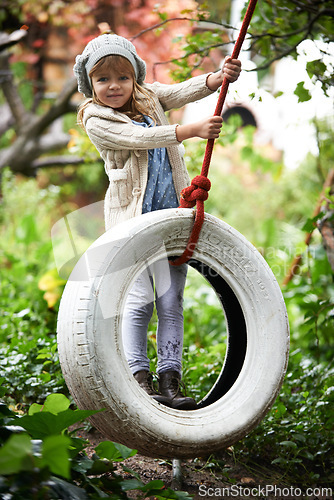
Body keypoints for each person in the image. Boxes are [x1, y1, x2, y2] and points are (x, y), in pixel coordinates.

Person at [74, 33, 241, 410]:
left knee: (171, 301)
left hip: (172, 217)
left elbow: (179, 92)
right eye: (103, 79)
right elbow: (137, 138)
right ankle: (138, 377)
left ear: (135, 77)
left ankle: (170, 380)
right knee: (139, 301)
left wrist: (216, 78)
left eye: (122, 77)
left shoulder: (147, 97)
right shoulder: (96, 118)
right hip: (133, 223)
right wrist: (190, 131)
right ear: (90, 84)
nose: (114, 86)